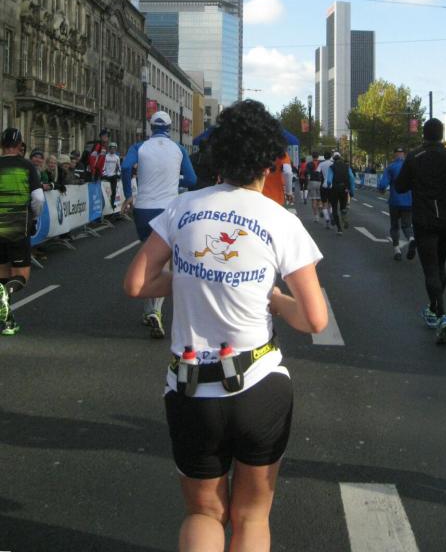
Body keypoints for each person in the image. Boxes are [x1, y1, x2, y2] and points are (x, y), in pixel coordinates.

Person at [123, 99, 327, 552]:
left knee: (203, 514)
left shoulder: (183, 207)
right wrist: (275, 299)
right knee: (251, 517)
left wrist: (187, 274)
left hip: (191, 385)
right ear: (270, 161)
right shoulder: (280, 220)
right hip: (258, 383)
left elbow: (137, 284)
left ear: (218, 155)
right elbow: (314, 318)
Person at [395, 118, 446, 345]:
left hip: (424, 217)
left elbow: (400, 186)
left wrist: (415, 180)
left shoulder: (415, 156)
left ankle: (441, 315)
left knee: (430, 268)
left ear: (423, 134)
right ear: (441, 135)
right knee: (440, 264)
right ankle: (434, 308)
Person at [121, 111, 197, 339]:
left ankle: (149, 311)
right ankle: (155, 310)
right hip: (168, 209)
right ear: (170, 127)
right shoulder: (178, 149)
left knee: (148, 256)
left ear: (150, 126)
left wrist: (128, 194)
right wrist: (175, 179)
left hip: (143, 208)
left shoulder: (139, 147)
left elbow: (125, 168)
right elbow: (192, 180)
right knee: (164, 260)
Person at [0, 128, 45, 336]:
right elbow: (38, 199)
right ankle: (4, 295)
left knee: (2, 275)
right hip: (18, 226)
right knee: (21, 276)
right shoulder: (27, 166)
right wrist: (34, 216)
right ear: (20, 145)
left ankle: (9, 324)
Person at [378, 148, 416, 261]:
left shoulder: (391, 167)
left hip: (395, 201)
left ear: (394, 155)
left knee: (395, 226)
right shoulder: (412, 167)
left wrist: (381, 190)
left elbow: (383, 184)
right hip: (409, 201)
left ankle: (397, 250)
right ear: (404, 155)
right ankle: (411, 239)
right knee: (407, 225)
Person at [326, 151, 355, 235]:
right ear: (340, 158)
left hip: (335, 189)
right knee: (343, 206)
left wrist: (328, 187)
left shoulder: (331, 167)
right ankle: (344, 215)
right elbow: (352, 178)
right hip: (344, 189)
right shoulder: (347, 167)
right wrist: (351, 191)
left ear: (333, 159)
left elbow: (329, 180)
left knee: (334, 208)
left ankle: (339, 229)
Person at [317, 151, 334, 228]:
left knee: (324, 203)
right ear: (330, 157)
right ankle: (331, 214)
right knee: (331, 203)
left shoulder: (321, 164)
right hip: (332, 185)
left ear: (324, 157)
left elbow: (317, 172)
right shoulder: (333, 163)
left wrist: (321, 178)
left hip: (324, 185)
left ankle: (327, 220)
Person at [102, 142, 121, 210]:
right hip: (106, 176)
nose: (113, 150)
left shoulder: (117, 157)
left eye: (114, 148)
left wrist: (117, 174)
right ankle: (105, 206)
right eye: (111, 148)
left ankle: (112, 205)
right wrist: (104, 174)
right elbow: (103, 167)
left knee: (114, 191)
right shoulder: (106, 156)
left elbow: (119, 168)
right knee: (106, 191)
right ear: (109, 149)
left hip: (113, 176)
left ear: (115, 149)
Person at [305, 151, 323, 222]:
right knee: (319, 198)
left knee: (313, 200)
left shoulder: (309, 164)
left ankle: (316, 217)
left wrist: (307, 183)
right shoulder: (321, 163)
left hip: (312, 182)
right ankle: (321, 207)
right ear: (318, 156)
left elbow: (307, 174)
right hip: (320, 182)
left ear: (312, 156)